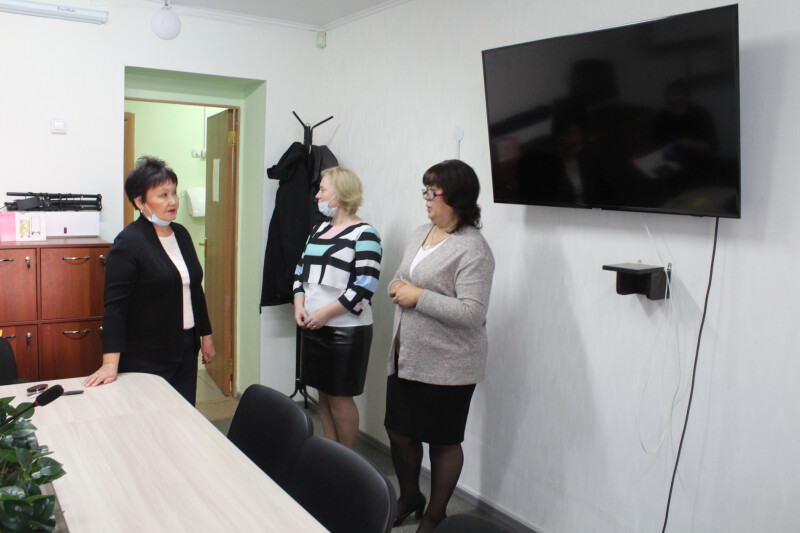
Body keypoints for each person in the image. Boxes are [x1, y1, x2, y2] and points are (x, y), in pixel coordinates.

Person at [385, 160, 495, 533]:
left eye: (433, 191)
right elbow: (403, 275)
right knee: (399, 431)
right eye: (425, 190)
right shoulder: (421, 232)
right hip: (406, 356)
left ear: (457, 198)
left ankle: (435, 515)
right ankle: (410, 496)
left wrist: (419, 297)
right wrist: (397, 286)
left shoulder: (474, 249)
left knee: (443, 442)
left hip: (449, 364)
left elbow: (472, 313)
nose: (426, 198)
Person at [83, 156, 216, 405]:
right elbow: (116, 307)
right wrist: (110, 363)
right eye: (163, 195)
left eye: (174, 192)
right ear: (140, 201)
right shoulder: (129, 242)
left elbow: (194, 290)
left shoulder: (182, 234)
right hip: (147, 357)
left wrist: (206, 336)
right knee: (151, 420)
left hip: (186, 349)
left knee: (184, 416)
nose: (173, 201)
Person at [293, 166, 382, 450]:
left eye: (323, 190)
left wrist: (324, 314)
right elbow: (300, 272)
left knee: (340, 397)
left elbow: (365, 286)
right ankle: (330, 453)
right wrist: (299, 304)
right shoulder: (318, 230)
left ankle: (348, 460)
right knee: (323, 393)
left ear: (341, 194)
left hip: (346, 331)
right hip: (314, 327)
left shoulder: (365, 234)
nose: (317, 195)